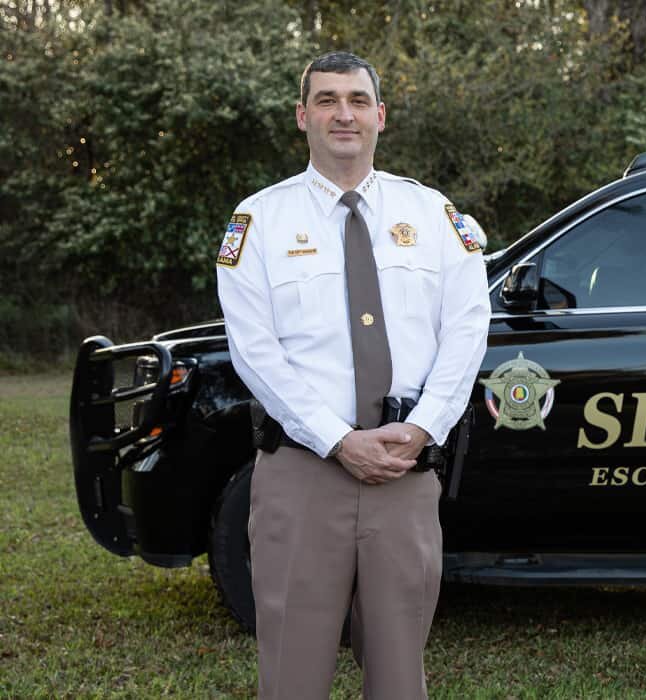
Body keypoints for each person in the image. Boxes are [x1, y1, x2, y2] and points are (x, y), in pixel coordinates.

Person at [215, 51, 489, 699]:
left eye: (358, 100)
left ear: (381, 116)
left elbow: (468, 328)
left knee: (399, 679)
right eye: (329, 99)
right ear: (302, 114)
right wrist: (338, 439)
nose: (345, 113)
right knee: (292, 676)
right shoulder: (258, 223)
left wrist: (423, 428)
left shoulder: (434, 216)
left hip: (404, 468)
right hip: (303, 476)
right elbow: (254, 349)